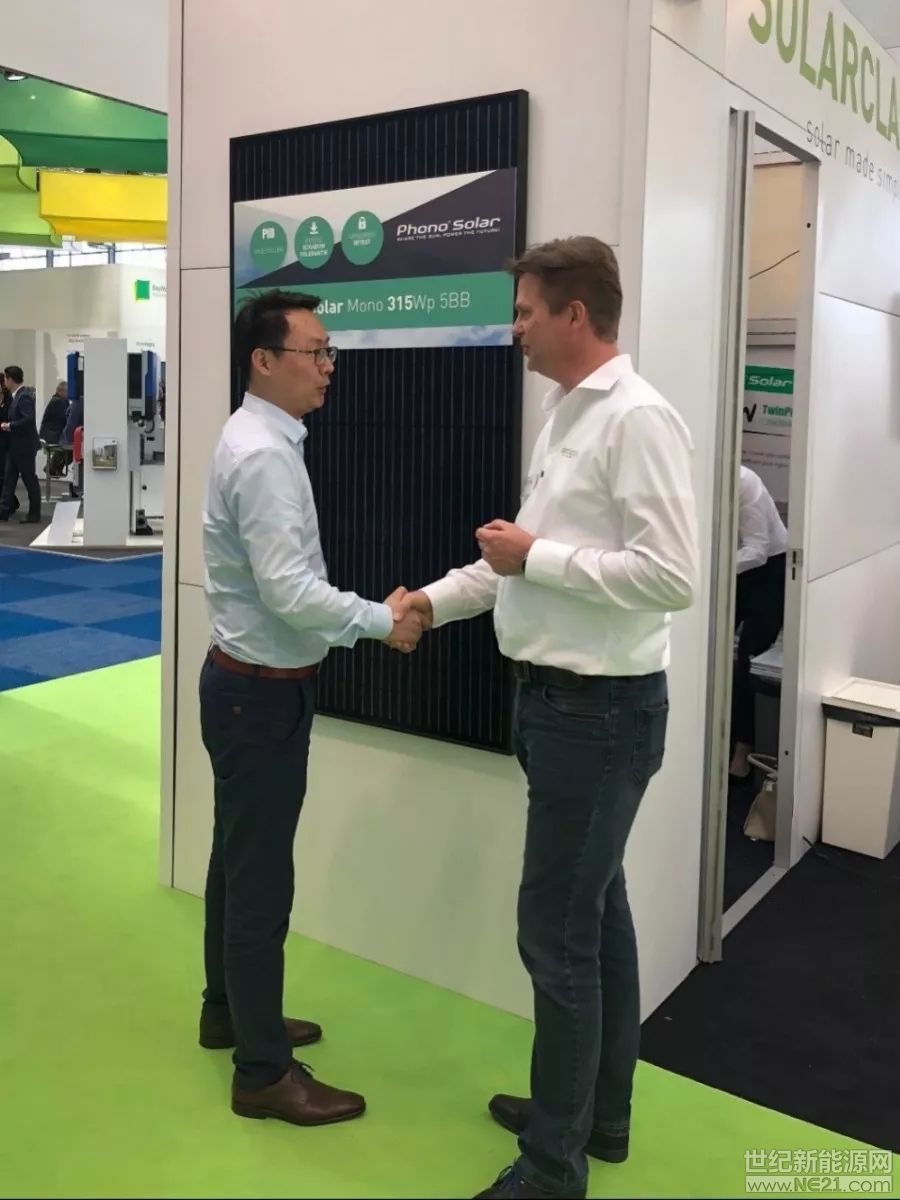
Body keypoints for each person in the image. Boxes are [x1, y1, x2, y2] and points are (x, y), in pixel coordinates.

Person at [405, 237, 699, 1200]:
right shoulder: (565, 415)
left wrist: (538, 558)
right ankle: (591, 1117)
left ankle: (552, 1166)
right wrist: (431, 603)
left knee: (558, 938)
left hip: (598, 715)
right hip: (561, 708)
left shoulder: (637, 419)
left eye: (527, 311)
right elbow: (515, 563)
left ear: (577, 315)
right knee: (595, 917)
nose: (515, 328)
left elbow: (672, 577)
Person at [199, 289, 423, 1129]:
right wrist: (381, 621)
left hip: (249, 688)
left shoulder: (261, 437)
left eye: (330, 353)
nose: (329, 367)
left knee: (237, 862)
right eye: (315, 352)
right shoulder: (261, 454)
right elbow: (290, 592)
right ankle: (263, 1071)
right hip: (259, 696)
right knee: (260, 883)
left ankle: (230, 1011)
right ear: (264, 361)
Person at [729, 465, 788, 781]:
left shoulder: (744, 482)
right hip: (730, 563)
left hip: (768, 568)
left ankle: (743, 751)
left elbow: (757, 550)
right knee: (708, 644)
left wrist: (712, 565)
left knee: (748, 658)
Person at [0, 365, 42, 524]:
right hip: (15, 446)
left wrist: (10, 425)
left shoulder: (24, 396)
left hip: (24, 447)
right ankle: (3, 511)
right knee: (8, 480)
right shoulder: (17, 396)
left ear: (10, 379)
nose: (4, 382)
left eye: (5, 379)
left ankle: (34, 514)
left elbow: (28, 419)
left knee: (29, 480)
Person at [39, 381, 71, 477]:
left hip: (51, 433)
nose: (69, 394)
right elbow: (65, 418)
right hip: (51, 435)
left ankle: (53, 466)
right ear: (60, 391)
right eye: (68, 392)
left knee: (69, 444)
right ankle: (53, 467)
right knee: (70, 445)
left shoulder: (58, 401)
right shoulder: (59, 402)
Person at [0, 373, 19, 514]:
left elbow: (11, 419)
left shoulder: (9, 400)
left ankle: (8, 503)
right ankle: (8, 502)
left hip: (6, 441)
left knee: (4, 474)